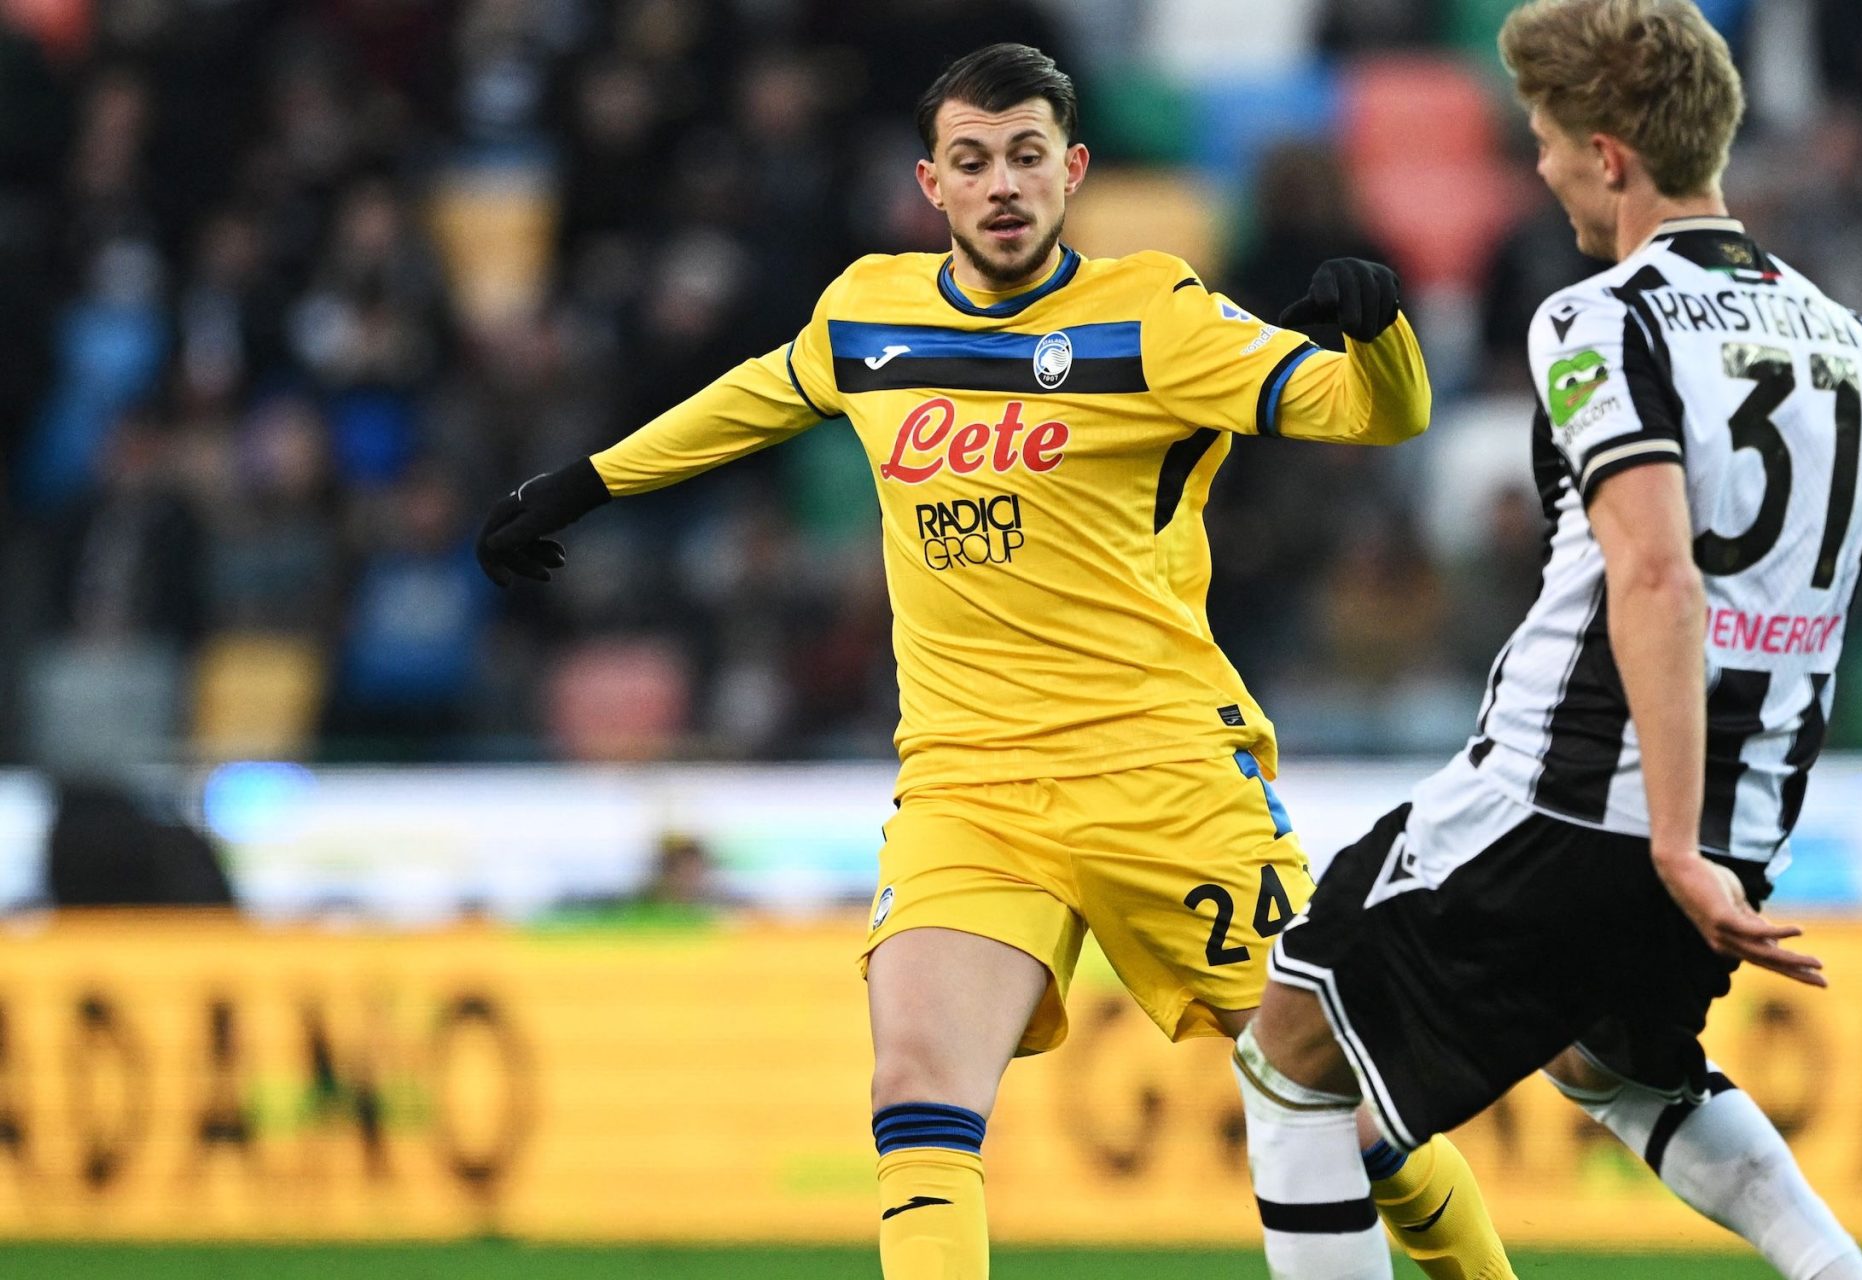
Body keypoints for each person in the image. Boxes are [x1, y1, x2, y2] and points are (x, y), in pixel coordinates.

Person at [472, 43, 1514, 1280]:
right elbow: (752, 396)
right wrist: (581, 486)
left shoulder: (1156, 317)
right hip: (967, 785)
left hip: (1163, 777)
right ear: (933, 184)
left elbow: (1376, 412)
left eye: (1027, 156)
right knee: (916, 1088)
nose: (1002, 184)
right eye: (971, 161)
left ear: (1073, 170)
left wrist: (1382, 332)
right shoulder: (870, 313)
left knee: (1353, 1109)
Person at [1232, 5, 1862, 1279]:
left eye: (1548, 142)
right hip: (1741, 824)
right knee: (1613, 1063)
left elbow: (1656, 570)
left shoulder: (1597, 320)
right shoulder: (1853, 345)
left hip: (1567, 799)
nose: (1541, 169)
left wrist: (1666, 838)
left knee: (1290, 1052)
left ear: (1609, 156)